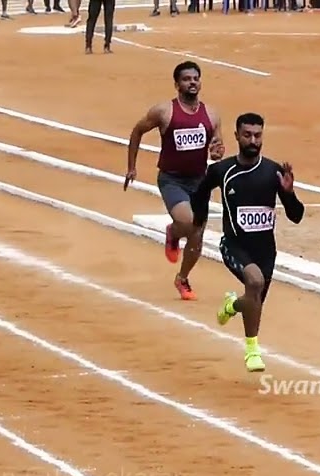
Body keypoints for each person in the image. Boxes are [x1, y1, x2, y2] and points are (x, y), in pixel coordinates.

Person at [188, 112, 304, 373]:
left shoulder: (274, 172)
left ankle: (232, 305)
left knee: (253, 302)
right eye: (247, 135)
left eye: (258, 135)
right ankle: (252, 350)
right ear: (237, 136)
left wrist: (289, 193)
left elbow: (296, 216)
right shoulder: (222, 170)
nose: (253, 140)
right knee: (254, 282)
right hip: (234, 245)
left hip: (266, 251)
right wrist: (198, 224)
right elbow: (200, 194)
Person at [123, 60, 224, 301]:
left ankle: (182, 278)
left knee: (197, 235)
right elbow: (137, 131)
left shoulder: (211, 114)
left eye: (195, 78)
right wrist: (131, 168)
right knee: (188, 222)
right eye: (187, 79)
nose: (192, 82)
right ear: (177, 84)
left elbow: (217, 148)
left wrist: (217, 152)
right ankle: (173, 231)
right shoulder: (164, 112)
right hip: (172, 180)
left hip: (200, 182)